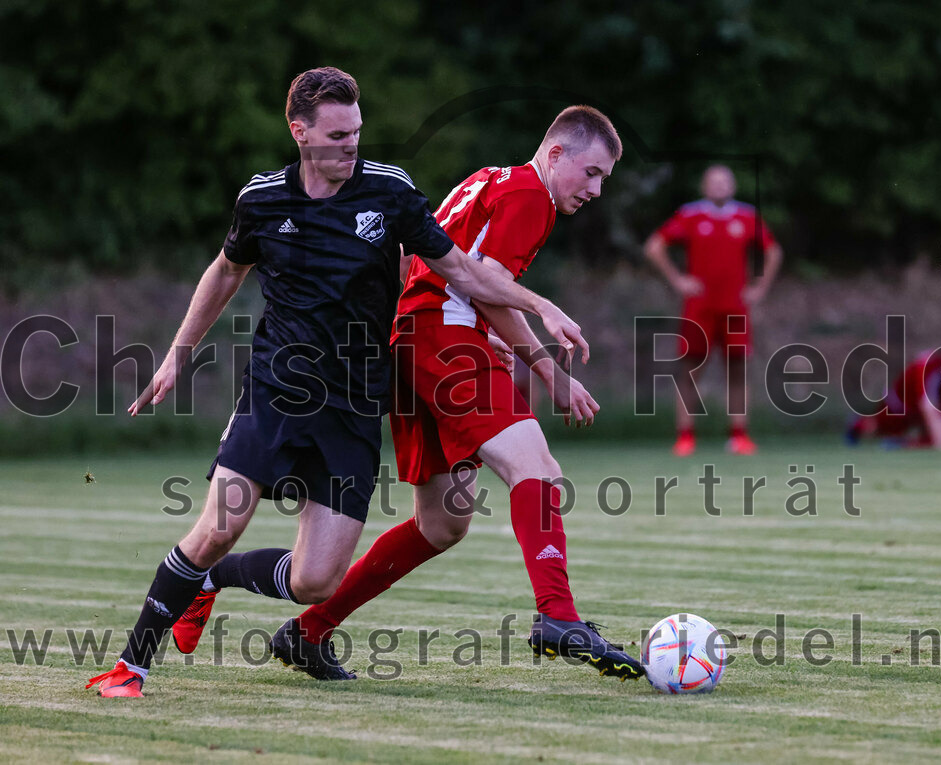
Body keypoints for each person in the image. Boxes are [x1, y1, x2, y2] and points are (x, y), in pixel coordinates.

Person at [85, 67, 589, 698]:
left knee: (314, 581)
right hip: (277, 390)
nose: (351, 145)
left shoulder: (391, 192)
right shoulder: (262, 199)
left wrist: (538, 308)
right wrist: (176, 355)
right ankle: (130, 668)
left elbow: (461, 270)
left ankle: (213, 582)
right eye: (337, 134)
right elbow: (224, 273)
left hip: (353, 406)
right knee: (217, 528)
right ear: (299, 131)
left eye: (356, 131)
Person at [172, 106, 645, 682]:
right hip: (443, 342)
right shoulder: (531, 196)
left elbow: (425, 264)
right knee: (537, 468)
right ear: (555, 154)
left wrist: (479, 330)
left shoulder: (490, 179)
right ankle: (558, 617)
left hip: (413, 342)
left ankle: (304, 628)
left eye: (603, 179)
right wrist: (548, 366)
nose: (595, 189)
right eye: (591, 173)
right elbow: (487, 284)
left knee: (443, 522)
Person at [644, 165, 783, 456]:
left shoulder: (746, 216)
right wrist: (677, 279)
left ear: (733, 186)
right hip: (700, 308)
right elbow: (654, 246)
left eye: (725, 181)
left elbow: (773, 251)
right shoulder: (690, 215)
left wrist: (759, 288)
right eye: (714, 182)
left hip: (735, 308)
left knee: (737, 369)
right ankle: (685, 437)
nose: (720, 186)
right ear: (704, 186)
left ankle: (739, 436)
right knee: (690, 369)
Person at [846, 336, 941, 449]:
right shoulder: (929, 366)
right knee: (876, 428)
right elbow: (928, 408)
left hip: (930, 402)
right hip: (900, 402)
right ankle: (856, 425)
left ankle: (900, 445)